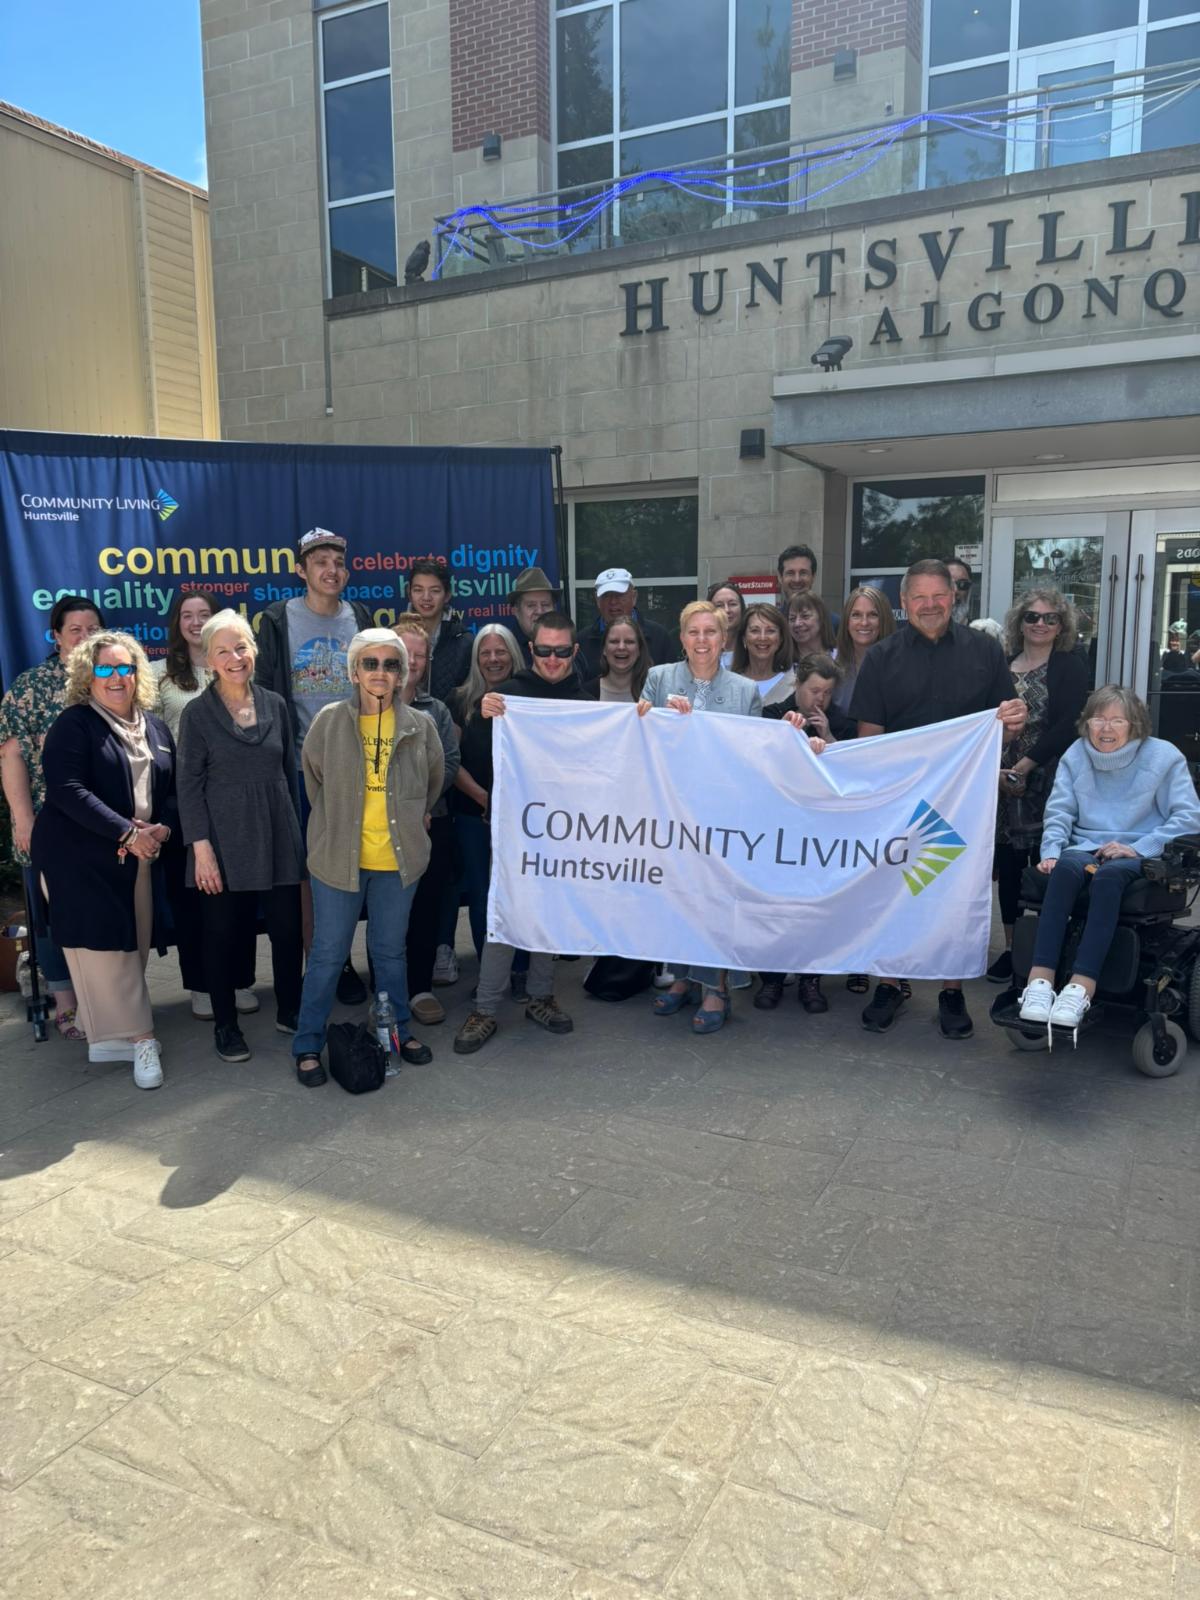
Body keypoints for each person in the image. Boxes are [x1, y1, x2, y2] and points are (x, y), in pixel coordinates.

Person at [850, 558, 1027, 1039]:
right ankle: (890, 982)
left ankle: (951, 989)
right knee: (895, 887)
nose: (930, 606)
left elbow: (1006, 731)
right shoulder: (882, 657)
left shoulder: (986, 652)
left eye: (939, 596)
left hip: (964, 799)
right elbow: (870, 737)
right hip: (902, 798)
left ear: (955, 597)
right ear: (904, 604)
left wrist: (1013, 722)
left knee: (958, 892)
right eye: (919, 598)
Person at [293, 630, 445, 1085]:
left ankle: (396, 1031)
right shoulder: (329, 722)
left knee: (389, 952)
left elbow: (432, 782)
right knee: (327, 954)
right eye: (371, 663)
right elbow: (313, 779)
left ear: (402, 675)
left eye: (391, 664)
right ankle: (306, 1044)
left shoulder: (421, 726)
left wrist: (410, 815)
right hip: (339, 859)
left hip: (397, 862)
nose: (380, 672)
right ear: (354, 671)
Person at [31, 631, 174, 1088]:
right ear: (87, 676)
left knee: (133, 943)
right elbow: (67, 791)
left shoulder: (154, 726)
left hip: (138, 856)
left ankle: (110, 1035)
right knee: (107, 949)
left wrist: (162, 829)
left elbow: (170, 790)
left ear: (137, 673)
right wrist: (128, 832)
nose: (116, 678)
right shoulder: (74, 724)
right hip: (79, 857)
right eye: (105, 669)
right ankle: (142, 1040)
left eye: (124, 668)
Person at [1018, 686, 1200, 1035]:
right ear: (1086, 724)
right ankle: (1039, 983)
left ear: (1135, 725)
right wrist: (1052, 852)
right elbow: (1059, 811)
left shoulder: (1164, 757)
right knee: (1066, 871)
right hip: (1084, 846)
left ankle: (1080, 988)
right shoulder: (1076, 755)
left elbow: (1188, 818)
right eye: (1098, 719)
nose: (1106, 728)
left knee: (1108, 877)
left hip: (1138, 850)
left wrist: (1142, 846)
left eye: (1118, 720)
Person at [452, 612, 584, 1055]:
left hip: (565, 828)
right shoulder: (507, 695)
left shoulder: (588, 702)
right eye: (544, 650)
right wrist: (485, 715)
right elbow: (475, 755)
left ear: (574, 652)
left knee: (547, 912)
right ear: (531, 651)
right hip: (513, 828)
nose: (551, 659)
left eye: (561, 651)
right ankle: (486, 1007)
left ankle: (541, 997)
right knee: (504, 913)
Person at [178, 610, 304, 1063]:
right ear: (209, 659)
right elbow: (188, 787)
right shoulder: (196, 715)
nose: (235, 657)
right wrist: (201, 850)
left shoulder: (276, 705)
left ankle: (291, 1009)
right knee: (221, 934)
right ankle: (226, 1026)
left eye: (241, 647)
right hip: (222, 840)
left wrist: (295, 837)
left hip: (276, 830)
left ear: (254, 650)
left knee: (288, 932)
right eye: (223, 650)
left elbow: (289, 773)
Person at [255, 528, 373, 1004]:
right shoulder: (278, 618)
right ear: (301, 570)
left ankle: (341, 961)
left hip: (355, 767)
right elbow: (265, 691)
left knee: (350, 868)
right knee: (311, 873)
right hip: (301, 769)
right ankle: (318, 965)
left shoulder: (359, 618)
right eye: (319, 562)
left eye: (338, 562)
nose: (331, 570)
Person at [637, 600, 761, 1034]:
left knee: (717, 903)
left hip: (724, 814)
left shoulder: (746, 691)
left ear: (724, 639)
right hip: (672, 810)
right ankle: (683, 979)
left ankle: (716, 989)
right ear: (682, 637)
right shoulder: (658, 679)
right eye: (694, 632)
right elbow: (639, 738)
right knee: (678, 898)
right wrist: (656, 720)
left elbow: (755, 756)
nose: (703, 640)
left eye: (712, 632)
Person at [0, 595, 104, 1041]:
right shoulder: (30, 687)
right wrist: (24, 820)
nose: (85, 637)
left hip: (105, 823)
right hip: (48, 823)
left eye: (92, 629)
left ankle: (106, 1002)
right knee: (51, 914)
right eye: (75, 630)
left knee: (102, 911)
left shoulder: (111, 679)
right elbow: (12, 755)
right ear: (56, 636)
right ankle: (65, 1004)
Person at [152, 589, 258, 1023]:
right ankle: (200, 983)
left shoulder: (236, 669)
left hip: (235, 798)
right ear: (177, 623)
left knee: (242, 893)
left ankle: (239, 980)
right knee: (194, 898)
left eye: (204, 614)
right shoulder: (159, 674)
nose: (196, 622)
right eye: (187, 615)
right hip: (184, 800)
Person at [989, 590, 1089, 984]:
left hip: (1049, 779)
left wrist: (1026, 767)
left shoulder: (1069, 665)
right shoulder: (1002, 665)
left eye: (1050, 618)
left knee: (1047, 866)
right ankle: (1015, 950)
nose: (1041, 624)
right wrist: (1001, 769)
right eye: (1032, 617)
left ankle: (1049, 949)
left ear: (1062, 625)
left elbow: (1069, 724)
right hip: (1001, 779)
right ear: (1020, 621)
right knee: (1010, 868)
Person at [758, 653, 853, 1013]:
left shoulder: (840, 719)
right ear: (798, 686)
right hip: (780, 826)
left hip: (821, 828)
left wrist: (827, 735)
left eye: (827, 693)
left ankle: (811, 980)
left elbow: (852, 769)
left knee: (814, 905)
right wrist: (785, 736)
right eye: (814, 690)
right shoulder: (772, 714)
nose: (820, 700)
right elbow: (759, 765)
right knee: (776, 905)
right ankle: (771, 977)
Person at [390, 612, 461, 1027]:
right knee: (386, 916)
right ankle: (386, 989)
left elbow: (449, 764)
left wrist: (420, 804)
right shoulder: (361, 707)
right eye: (405, 653)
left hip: (432, 825)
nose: (412, 661)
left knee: (424, 910)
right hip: (379, 830)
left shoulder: (436, 710)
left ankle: (419, 988)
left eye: (420, 654)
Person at [446, 623, 525, 962]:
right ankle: (488, 968)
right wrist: (485, 798)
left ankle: (522, 969)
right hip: (472, 814)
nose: (494, 659)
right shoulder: (460, 700)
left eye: (501, 651)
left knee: (521, 895)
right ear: (476, 659)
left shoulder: (529, 697)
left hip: (524, 817)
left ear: (513, 654)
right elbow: (452, 760)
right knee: (482, 894)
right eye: (486, 653)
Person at [577, 568, 675, 675]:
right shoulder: (581, 642)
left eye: (619, 595)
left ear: (634, 597)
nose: (613, 602)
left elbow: (671, 684)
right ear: (597, 600)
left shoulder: (659, 636)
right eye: (606, 596)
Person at [405, 558, 473, 701]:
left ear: (447, 595)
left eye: (435, 591)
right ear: (409, 593)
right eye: (418, 590)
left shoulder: (464, 641)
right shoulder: (392, 637)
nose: (426, 598)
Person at [831, 585, 895, 720]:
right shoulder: (830, 665)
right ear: (846, 622)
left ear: (884, 620)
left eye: (873, 615)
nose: (864, 622)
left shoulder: (900, 667)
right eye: (856, 615)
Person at [730, 603, 795, 708]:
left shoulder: (795, 685)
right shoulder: (728, 683)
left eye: (770, 631)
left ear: (781, 638)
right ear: (743, 638)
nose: (763, 637)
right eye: (755, 630)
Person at [582, 617, 652, 702]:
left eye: (629, 642)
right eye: (614, 641)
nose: (621, 647)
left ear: (639, 650)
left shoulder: (654, 693)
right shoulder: (584, 694)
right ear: (604, 649)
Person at [778, 543, 839, 630]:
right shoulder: (771, 622)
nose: (797, 580)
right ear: (780, 578)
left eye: (803, 573)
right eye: (790, 573)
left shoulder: (832, 623)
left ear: (813, 577)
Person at [508, 566, 559, 665]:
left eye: (545, 604)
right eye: (531, 605)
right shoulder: (505, 649)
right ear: (515, 611)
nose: (539, 611)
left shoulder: (566, 647)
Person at [707, 582, 745, 668]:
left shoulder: (753, 649)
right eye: (719, 605)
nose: (727, 610)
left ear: (742, 608)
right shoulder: (700, 650)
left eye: (732, 604)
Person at [787, 592, 837, 658]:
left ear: (821, 618)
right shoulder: (783, 662)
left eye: (805, 616)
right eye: (792, 618)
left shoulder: (841, 659)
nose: (797, 623)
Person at [945, 557, 978, 625]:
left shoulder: (979, 632)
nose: (956, 590)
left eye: (963, 584)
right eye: (948, 584)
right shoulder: (920, 633)